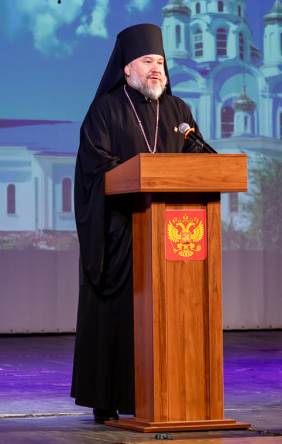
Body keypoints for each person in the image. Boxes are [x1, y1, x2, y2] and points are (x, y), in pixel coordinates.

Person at [70, 23, 205, 423]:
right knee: (121, 318)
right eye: (148, 61)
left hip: (172, 234)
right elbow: (96, 167)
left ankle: (173, 394)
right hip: (122, 233)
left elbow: (197, 158)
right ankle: (110, 398)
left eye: (160, 61)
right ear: (127, 68)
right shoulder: (105, 110)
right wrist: (141, 177)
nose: (157, 69)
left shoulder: (178, 111)